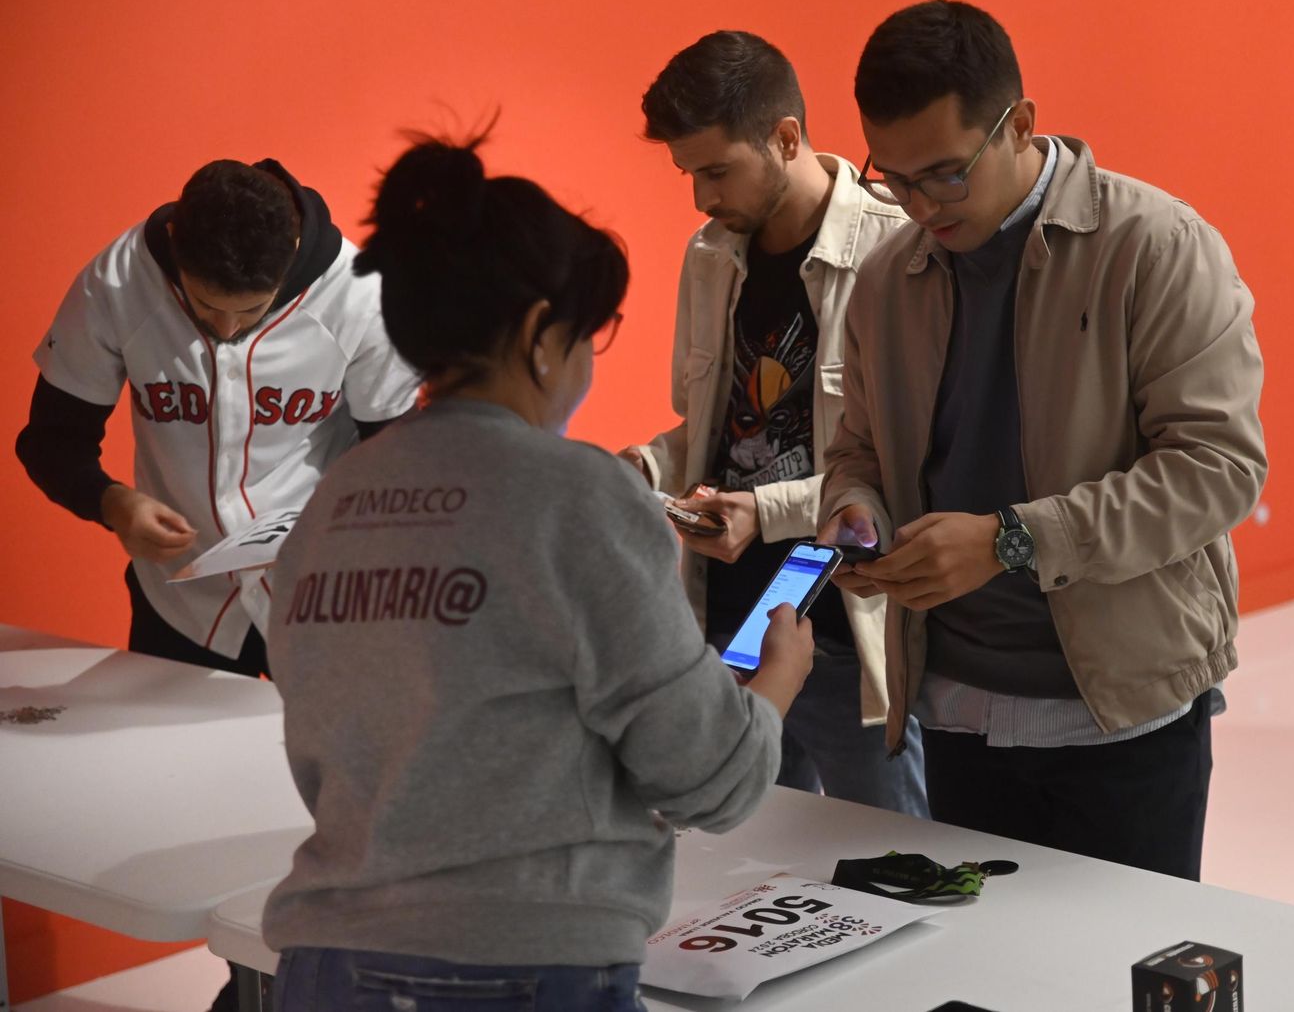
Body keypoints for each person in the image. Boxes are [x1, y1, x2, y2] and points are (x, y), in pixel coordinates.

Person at [262, 133, 812, 1012]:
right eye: (589, 334)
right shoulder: (578, 497)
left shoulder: (334, 503)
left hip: (324, 962)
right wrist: (775, 685)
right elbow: (711, 775)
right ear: (537, 336)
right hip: (518, 965)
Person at [817, 0, 1267, 881]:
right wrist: (855, 515)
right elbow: (855, 452)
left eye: (945, 174)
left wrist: (1010, 540)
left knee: (1120, 973)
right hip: (953, 712)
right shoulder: (883, 279)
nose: (917, 205)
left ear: (1019, 123)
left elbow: (1220, 470)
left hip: (1121, 711)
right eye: (894, 179)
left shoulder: (1155, 246)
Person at [622, 30, 928, 817]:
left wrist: (769, 512)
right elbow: (711, 429)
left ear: (786, 137)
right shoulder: (709, 253)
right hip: (726, 623)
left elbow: (908, 463)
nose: (700, 197)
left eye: (716, 170)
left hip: (845, 620)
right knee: (753, 872)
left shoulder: (896, 251)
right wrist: (644, 472)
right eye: (689, 174)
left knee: (889, 862)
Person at [15, 158, 419, 679]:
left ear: (291, 257)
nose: (227, 327)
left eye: (251, 310)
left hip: (326, 597)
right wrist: (112, 503)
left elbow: (400, 456)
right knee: (167, 760)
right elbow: (51, 441)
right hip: (180, 600)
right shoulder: (118, 282)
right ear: (177, 245)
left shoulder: (360, 295)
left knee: (332, 759)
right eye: (207, 305)